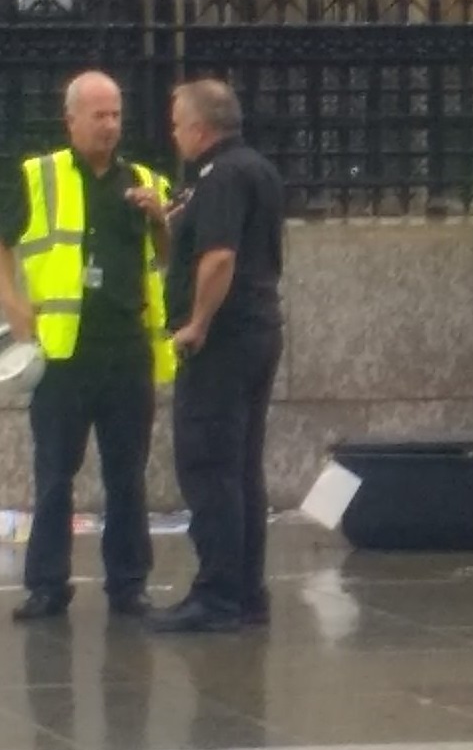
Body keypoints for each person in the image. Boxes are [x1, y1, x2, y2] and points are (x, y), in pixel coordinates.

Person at [0, 72, 176, 622]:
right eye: (98, 115)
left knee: (128, 473)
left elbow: (171, 257)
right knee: (55, 472)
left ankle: (129, 585)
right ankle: (48, 585)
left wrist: (160, 218)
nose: (110, 126)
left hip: (126, 348)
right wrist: (13, 306)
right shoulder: (40, 175)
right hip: (64, 354)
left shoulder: (147, 181)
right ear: (70, 119)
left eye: (116, 115)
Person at [150, 80, 286, 632]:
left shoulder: (220, 176)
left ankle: (219, 594)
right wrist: (165, 219)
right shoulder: (254, 167)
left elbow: (219, 258)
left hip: (224, 340)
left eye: (179, 123)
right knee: (240, 468)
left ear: (201, 128)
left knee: (208, 465)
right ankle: (246, 591)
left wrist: (196, 323)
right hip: (257, 332)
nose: (175, 133)